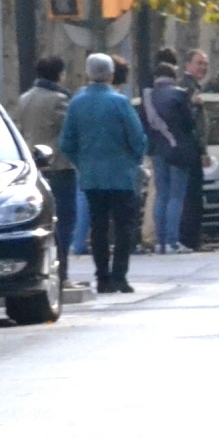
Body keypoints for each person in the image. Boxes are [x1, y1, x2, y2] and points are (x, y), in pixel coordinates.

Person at [60, 53, 148, 294]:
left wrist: (82, 162)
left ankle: (103, 277)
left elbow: (66, 142)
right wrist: (135, 159)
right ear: (110, 75)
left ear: (88, 73)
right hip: (121, 175)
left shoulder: (77, 102)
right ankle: (120, 274)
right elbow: (137, 137)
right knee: (124, 227)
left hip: (92, 177)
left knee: (98, 227)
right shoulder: (120, 102)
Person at [12, 57, 82, 289]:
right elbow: (71, 131)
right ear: (59, 74)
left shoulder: (24, 99)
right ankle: (61, 274)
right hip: (60, 167)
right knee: (64, 222)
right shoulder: (59, 100)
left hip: (35, 169)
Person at [142, 61, 199, 254]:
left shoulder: (147, 97)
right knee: (176, 196)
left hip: (157, 150)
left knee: (161, 194)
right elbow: (190, 124)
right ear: (172, 77)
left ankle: (160, 241)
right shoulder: (179, 95)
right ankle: (173, 241)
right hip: (177, 150)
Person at [178, 49, 209, 251]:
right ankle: (189, 239)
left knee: (193, 197)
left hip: (192, 149)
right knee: (191, 198)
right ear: (188, 65)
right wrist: (202, 149)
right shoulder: (187, 88)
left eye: (205, 64)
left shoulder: (193, 86)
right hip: (190, 150)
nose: (203, 67)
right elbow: (191, 122)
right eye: (199, 63)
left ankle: (192, 238)